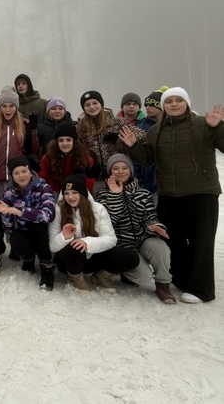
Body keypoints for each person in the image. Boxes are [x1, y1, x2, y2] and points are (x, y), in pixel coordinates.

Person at [120, 87, 224, 303]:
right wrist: (133, 146)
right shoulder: (155, 131)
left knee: (201, 241)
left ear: (187, 103)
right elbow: (148, 159)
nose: (174, 104)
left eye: (178, 100)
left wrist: (218, 127)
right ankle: (182, 279)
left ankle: (201, 289)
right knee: (172, 239)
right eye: (169, 101)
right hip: (169, 193)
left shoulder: (203, 124)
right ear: (163, 106)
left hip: (201, 191)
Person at [95, 154, 176, 304]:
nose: (120, 171)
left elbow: (150, 215)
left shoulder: (143, 193)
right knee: (144, 277)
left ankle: (163, 285)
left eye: (124, 168)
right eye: (115, 168)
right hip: (121, 247)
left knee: (160, 247)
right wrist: (115, 196)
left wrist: (153, 226)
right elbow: (108, 222)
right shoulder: (102, 195)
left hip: (141, 239)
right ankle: (124, 271)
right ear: (110, 172)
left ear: (131, 171)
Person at [48, 175, 140, 293]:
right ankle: (74, 277)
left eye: (75, 192)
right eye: (66, 193)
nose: (70, 197)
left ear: (83, 193)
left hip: (92, 257)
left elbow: (111, 239)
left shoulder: (98, 209)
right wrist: (64, 236)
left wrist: (87, 242)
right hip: (68, 260)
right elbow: (52, 246)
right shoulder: (58, 210)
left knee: (131, 257)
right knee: (75, 247)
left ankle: (101, 276)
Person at [0, 157, 56, 290]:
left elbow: (48, 214)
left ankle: (46, 267)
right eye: (16, 173)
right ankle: (28, 259)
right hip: (21, 229)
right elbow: (9, 227)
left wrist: (21, 212)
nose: (21, 176)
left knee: (39, 229)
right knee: (16, 240)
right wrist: (6, 214)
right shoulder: (9, 193)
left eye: (24, 171)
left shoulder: (43, 188)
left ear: (30, 172)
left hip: (40, 229)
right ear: (12, 177)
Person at [76, 90, 146, 189]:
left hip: (118, 175)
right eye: (87, 105)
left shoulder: (117, 122)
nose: (92, 107)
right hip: (96, 178)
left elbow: (142, 135)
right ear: (83, 108)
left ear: (101, 104)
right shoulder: (80, 127)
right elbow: (77, 149)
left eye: (95, 103)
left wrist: (120, 139)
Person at [0, 86, 39, 196]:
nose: (8, 110)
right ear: (0, 107)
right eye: (4, 106)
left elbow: (31, 150)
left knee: (16, 205)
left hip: (17, 177)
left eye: (11, 106)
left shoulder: (24, 124)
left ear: (16, 107)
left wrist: (32, 132)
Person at [39, 122, 96, 197]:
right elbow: (44, 181)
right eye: (61, 140)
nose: (65, 143)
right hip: (56, 191)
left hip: (78, 191)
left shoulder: (85, 159)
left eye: (68, 140)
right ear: (56, 142)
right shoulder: (47, 159)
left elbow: (89, 185)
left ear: (74, 141)